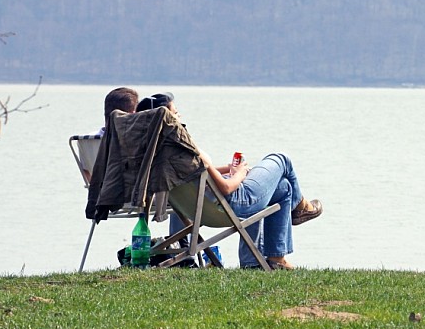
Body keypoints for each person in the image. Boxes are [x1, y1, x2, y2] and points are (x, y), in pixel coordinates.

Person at [136, 91, 323, 270]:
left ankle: (274, 258)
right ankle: (301, 208)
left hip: (195, 207)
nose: (180, 116)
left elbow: (197, 175)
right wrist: (240, 173)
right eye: (176, 113)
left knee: (283, 188)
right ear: (167, 118)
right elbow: (225, 188)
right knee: (281, 159)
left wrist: (229, 169)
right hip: (231, 204)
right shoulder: (186, 148)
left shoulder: (156, 153)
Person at [80, 87, 139, 182]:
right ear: (132, 114)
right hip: (130, 193)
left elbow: (86, 171)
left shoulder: (88, 140)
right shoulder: (133, 141)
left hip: (100, 193)